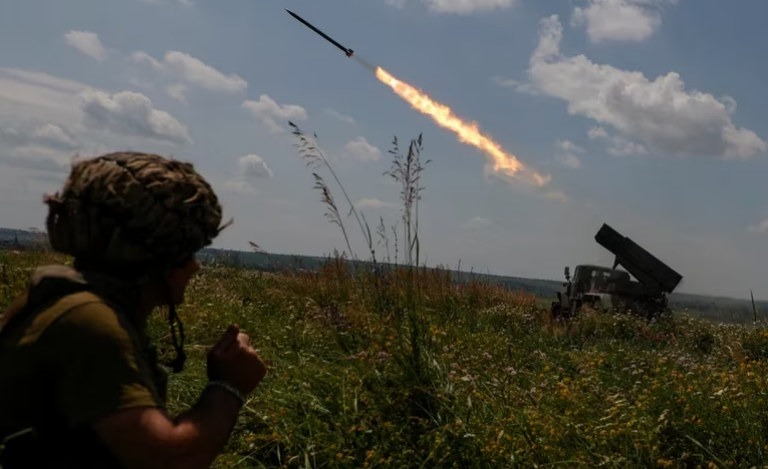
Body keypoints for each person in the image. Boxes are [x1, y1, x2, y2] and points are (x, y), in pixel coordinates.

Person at [0, 152, 268, 469]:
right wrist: (229, 386)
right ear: (156, 259)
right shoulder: (90, 323)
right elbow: (167, 460)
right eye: (187, 251)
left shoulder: (67, 300)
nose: (195, 266)